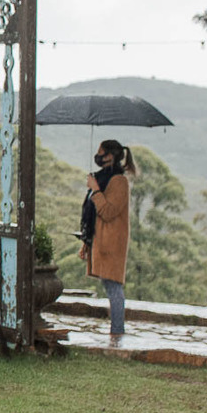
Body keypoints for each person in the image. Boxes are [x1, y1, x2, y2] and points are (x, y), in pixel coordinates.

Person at [80, 139, 136, 336]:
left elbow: (108, 211)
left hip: (112, 244)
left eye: (101, 152)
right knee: (110, 286)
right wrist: (86, 244)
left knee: (114, 287)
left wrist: (95, 190)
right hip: (100, 241)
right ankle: (116, 331)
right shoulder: (104, 179)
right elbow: (92, 214)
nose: (98, 156)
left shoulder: (119, 182)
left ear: (110, 156)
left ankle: (117, 332)